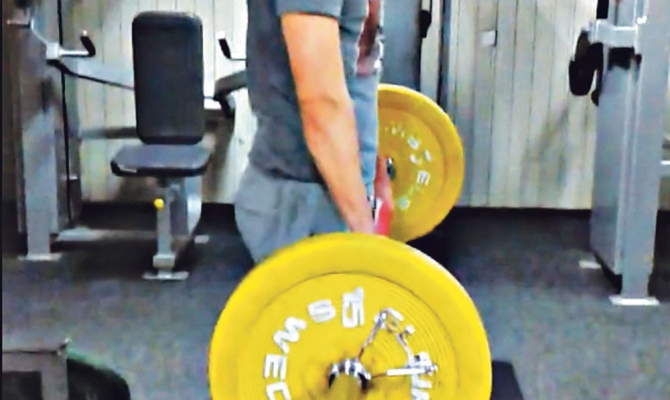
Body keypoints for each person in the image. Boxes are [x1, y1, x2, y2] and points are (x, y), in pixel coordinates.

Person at [234, 0, 392, 263]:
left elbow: (356, 71)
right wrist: (368, 240)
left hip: (339, 192)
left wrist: (377, 173)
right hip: (307, 204)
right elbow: (321, 103)